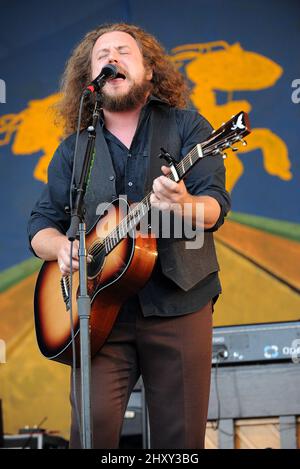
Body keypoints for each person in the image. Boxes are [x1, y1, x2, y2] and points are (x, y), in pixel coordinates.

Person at [28, 23, 231, 449]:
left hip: (180, 302)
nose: (112, 59)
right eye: (102, 56)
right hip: (98, 313)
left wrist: (182, 203)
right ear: (91, 79)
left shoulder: (187, 126)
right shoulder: (74, 149)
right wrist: (64, 248)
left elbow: (214, 208)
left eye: (124, 51)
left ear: (150, 72)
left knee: (180, 443)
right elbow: (41, 225)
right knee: (91, 437)